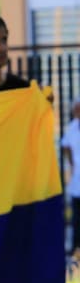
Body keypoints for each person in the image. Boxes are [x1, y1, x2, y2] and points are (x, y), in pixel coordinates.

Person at [62, 100, 80, 258]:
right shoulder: (73, 127)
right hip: (77, 183)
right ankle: (76, 248)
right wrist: (71, 164)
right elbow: (65, 145)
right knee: (76, 218)